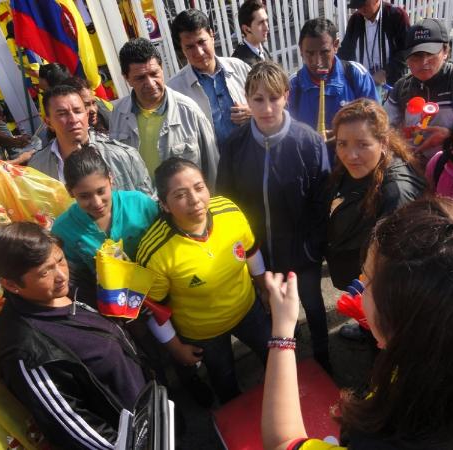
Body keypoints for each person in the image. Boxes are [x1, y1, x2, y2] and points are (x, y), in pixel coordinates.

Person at [261, 197, 453, 449]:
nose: (359, 286)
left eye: (368, 280)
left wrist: (283, 331)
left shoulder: (387, 438)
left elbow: (283, 442)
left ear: (407, 328)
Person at [0, 222, 150, 449]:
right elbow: (75, 427)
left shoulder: (69, 286)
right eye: (45, 272)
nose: (61, 275)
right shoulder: (25, 350)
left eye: (60, 260)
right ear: (11, 284)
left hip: (150, 408)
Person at [217, 61, 332, 372]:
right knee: (275, 311)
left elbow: (321, 202)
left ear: (286, 96)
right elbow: (226, 202)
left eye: (274, 97)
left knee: (313, 305)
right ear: (247, 99)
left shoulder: (308, 142)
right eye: (258, 99)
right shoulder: (234, 145)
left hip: (302, 252)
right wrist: (246, 253)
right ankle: (287, 364)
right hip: (260, 255)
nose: (266, 108)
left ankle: (324, 359)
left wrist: (312, 247)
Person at [136, 157, 271, 404]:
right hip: (203, 333)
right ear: (164, 205)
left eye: (199, 187)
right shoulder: (155, 252)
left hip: (248, 309)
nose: (195, 200)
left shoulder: (229, 211)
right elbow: (154, 308)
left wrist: (265, 288)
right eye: (180, 195)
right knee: (224, 380)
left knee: (275, 356)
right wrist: (176, 348)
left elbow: (251, 250)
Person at [327, 98, 424, 340]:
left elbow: (393, 260)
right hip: (357, 266)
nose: (351, 155)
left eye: (363, 144)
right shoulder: (360, 166)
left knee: (381, 336)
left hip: (380, 287)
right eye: (342, 144)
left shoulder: (397, 191)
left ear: (383, 142)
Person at [51, 145, 158, 303]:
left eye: (101, 191)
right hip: (111, 303)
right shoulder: (64, 229)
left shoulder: (140, 204)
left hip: (160, 291)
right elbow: (75, 279)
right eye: (84, 196)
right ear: (69, 191)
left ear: (111, 179)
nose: (97, 203)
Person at [111, 38, 219, 187]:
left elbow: (212, 168)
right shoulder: (118, 114)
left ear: (162, 69)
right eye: (140, 78)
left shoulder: (189, 111)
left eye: (154, 74)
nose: (150, 83)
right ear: (126, 78)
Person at [384, 18, 453, 166]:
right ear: (406, 58)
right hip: (413, 168)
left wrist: (452, 136)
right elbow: (383, 129)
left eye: (430, 54)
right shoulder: (402, 88)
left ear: (446, 51)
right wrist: (400, 140)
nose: (424, 62)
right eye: (416, 56)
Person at [29, 84, 154, 195]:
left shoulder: (123, 155)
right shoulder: (37, 168)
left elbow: (148, 205)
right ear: (48, 122)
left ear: (86, 114)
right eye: (62, 114)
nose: (73, 119)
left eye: (77, 111)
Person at [168, 9, 252, 148]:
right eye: (190, 47)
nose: (199, 52)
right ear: (182, 49)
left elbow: (271, 104)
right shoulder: (174, 90)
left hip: (252, 154)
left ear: (212, 35)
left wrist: (253, 112)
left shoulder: (240, 68)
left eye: (201, 42)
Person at [288, 18, 378, 141]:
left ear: (336, 45)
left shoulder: (357, 75)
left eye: (324, 52)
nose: (317, 62)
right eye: (310, 53)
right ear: (300, 50)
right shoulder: (292, 85)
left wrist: (340, 135)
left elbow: (376, 123)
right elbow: (286, 134)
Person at [338, 0, 409, 90]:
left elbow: (406, 51)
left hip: (392, 86)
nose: (361, 9)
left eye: (364, 5)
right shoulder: (355, 20)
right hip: (363, 86)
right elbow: (345, 52)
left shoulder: (397, 16)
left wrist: (386, 72)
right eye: (358, 6)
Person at [231, 0, 271, 66]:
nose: (267, 28)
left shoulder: (262, 50)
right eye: (261, 23)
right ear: (246, 29)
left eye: (266, 21)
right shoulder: (240, 63)